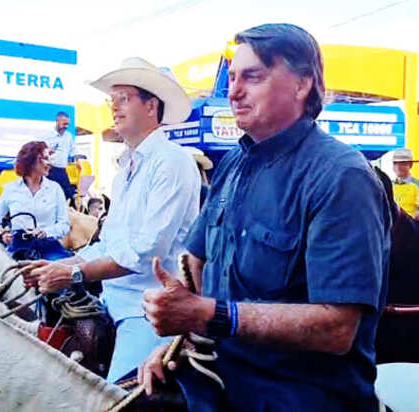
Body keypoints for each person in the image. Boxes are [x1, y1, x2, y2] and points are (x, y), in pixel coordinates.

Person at [139, 24, 391, 411]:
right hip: (215, 379)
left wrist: (209, 314)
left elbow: (338, 329)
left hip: (300, 396)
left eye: (252, 77)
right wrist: (180, 340)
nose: (234, 92)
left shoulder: (341, 176)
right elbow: (196, 263)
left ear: (302, 83)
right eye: (233, 78)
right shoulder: (232, 166)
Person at [23, 57, 200, 382]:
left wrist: (73, 272)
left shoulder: (172, 163)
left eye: (124, 99)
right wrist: (57, 266)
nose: (113, 108)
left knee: (116, 401)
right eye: (112, 100)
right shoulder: (126, 172)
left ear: (151, 106)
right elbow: (110, 244)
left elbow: (147, 252)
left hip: (146, 310)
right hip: (110, 300)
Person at [0, 141, 71, 261]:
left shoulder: (55, 189)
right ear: (31, 162)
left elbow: (64, 225)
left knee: (64, 269)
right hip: (19, 246)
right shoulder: (11, 189)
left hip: (48, 246)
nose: (49, 163)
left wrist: (46, 232)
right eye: (45, 158)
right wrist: (1, 234)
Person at [44, 111, 76, 200]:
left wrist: (78, 157)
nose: (66, 126)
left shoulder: (68, 136)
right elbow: (41, 150)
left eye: (67, 124)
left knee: (67, 194)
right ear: (57, 121)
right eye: (64, 123)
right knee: (50, 194)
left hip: (62, 170)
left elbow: (73, 150)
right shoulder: (48, 135)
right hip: (50, 170)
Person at [391, 147, 419, 217]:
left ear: (410, 165)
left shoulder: (416, 186)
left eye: (402, 163)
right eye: (395, 163)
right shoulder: (389, 185)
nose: (398, 167)